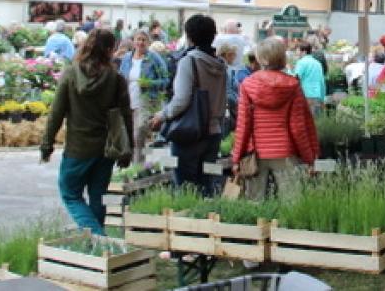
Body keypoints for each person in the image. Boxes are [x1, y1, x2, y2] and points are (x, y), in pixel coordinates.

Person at [41, 29, 134, 235]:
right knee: (98, 196)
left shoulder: (70, 74)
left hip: (78, 148)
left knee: (70, 194)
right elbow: (126, 116)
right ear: (110, 50)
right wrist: (128, 149)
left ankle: (98, 237)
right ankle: (98, 247)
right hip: (106, 148)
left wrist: (47, 144)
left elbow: (56, 113)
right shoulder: (116, 79)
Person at [232, 37, 319, 200]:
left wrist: (236, 158)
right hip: (286, 152)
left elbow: (243, 125)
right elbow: (298, 127)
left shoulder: (247, 85)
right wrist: (310, 158)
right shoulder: (293, 85)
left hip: (256, 153)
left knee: (254, 203)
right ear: (282, 57)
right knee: (292, 204)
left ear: (260, 58)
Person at [151, 15, 228, 195]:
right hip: (214, 132)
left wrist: (162, 115)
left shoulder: (189, 61)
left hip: (190, 133)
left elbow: (181, 100)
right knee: (207, 184)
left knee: (185, 187)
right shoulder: (221, 64)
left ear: (189, 36)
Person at [119, 30, 169, 163]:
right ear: (133, 41)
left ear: (148, 42)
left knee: (139, 133)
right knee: (129, 135)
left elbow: (165, 80)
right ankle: (132, 165)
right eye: (138, 39)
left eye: (143, 40)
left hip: (146, 100)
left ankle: (138, 166)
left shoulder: (154, 58)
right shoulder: (127, 58)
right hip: (128, 100)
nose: (140, 42)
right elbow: (120, 77)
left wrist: (150, 83)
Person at [294, 42, 326, 115]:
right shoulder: (318, 63)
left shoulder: (301, 62)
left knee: (304, 119)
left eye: (297, 50)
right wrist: (322, 98)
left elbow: (296, 78)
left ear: (304, 52)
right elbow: (321, 82)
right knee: (315, 120)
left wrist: (289, 71)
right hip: (317, 95)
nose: (296, 53)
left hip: (305, 95)